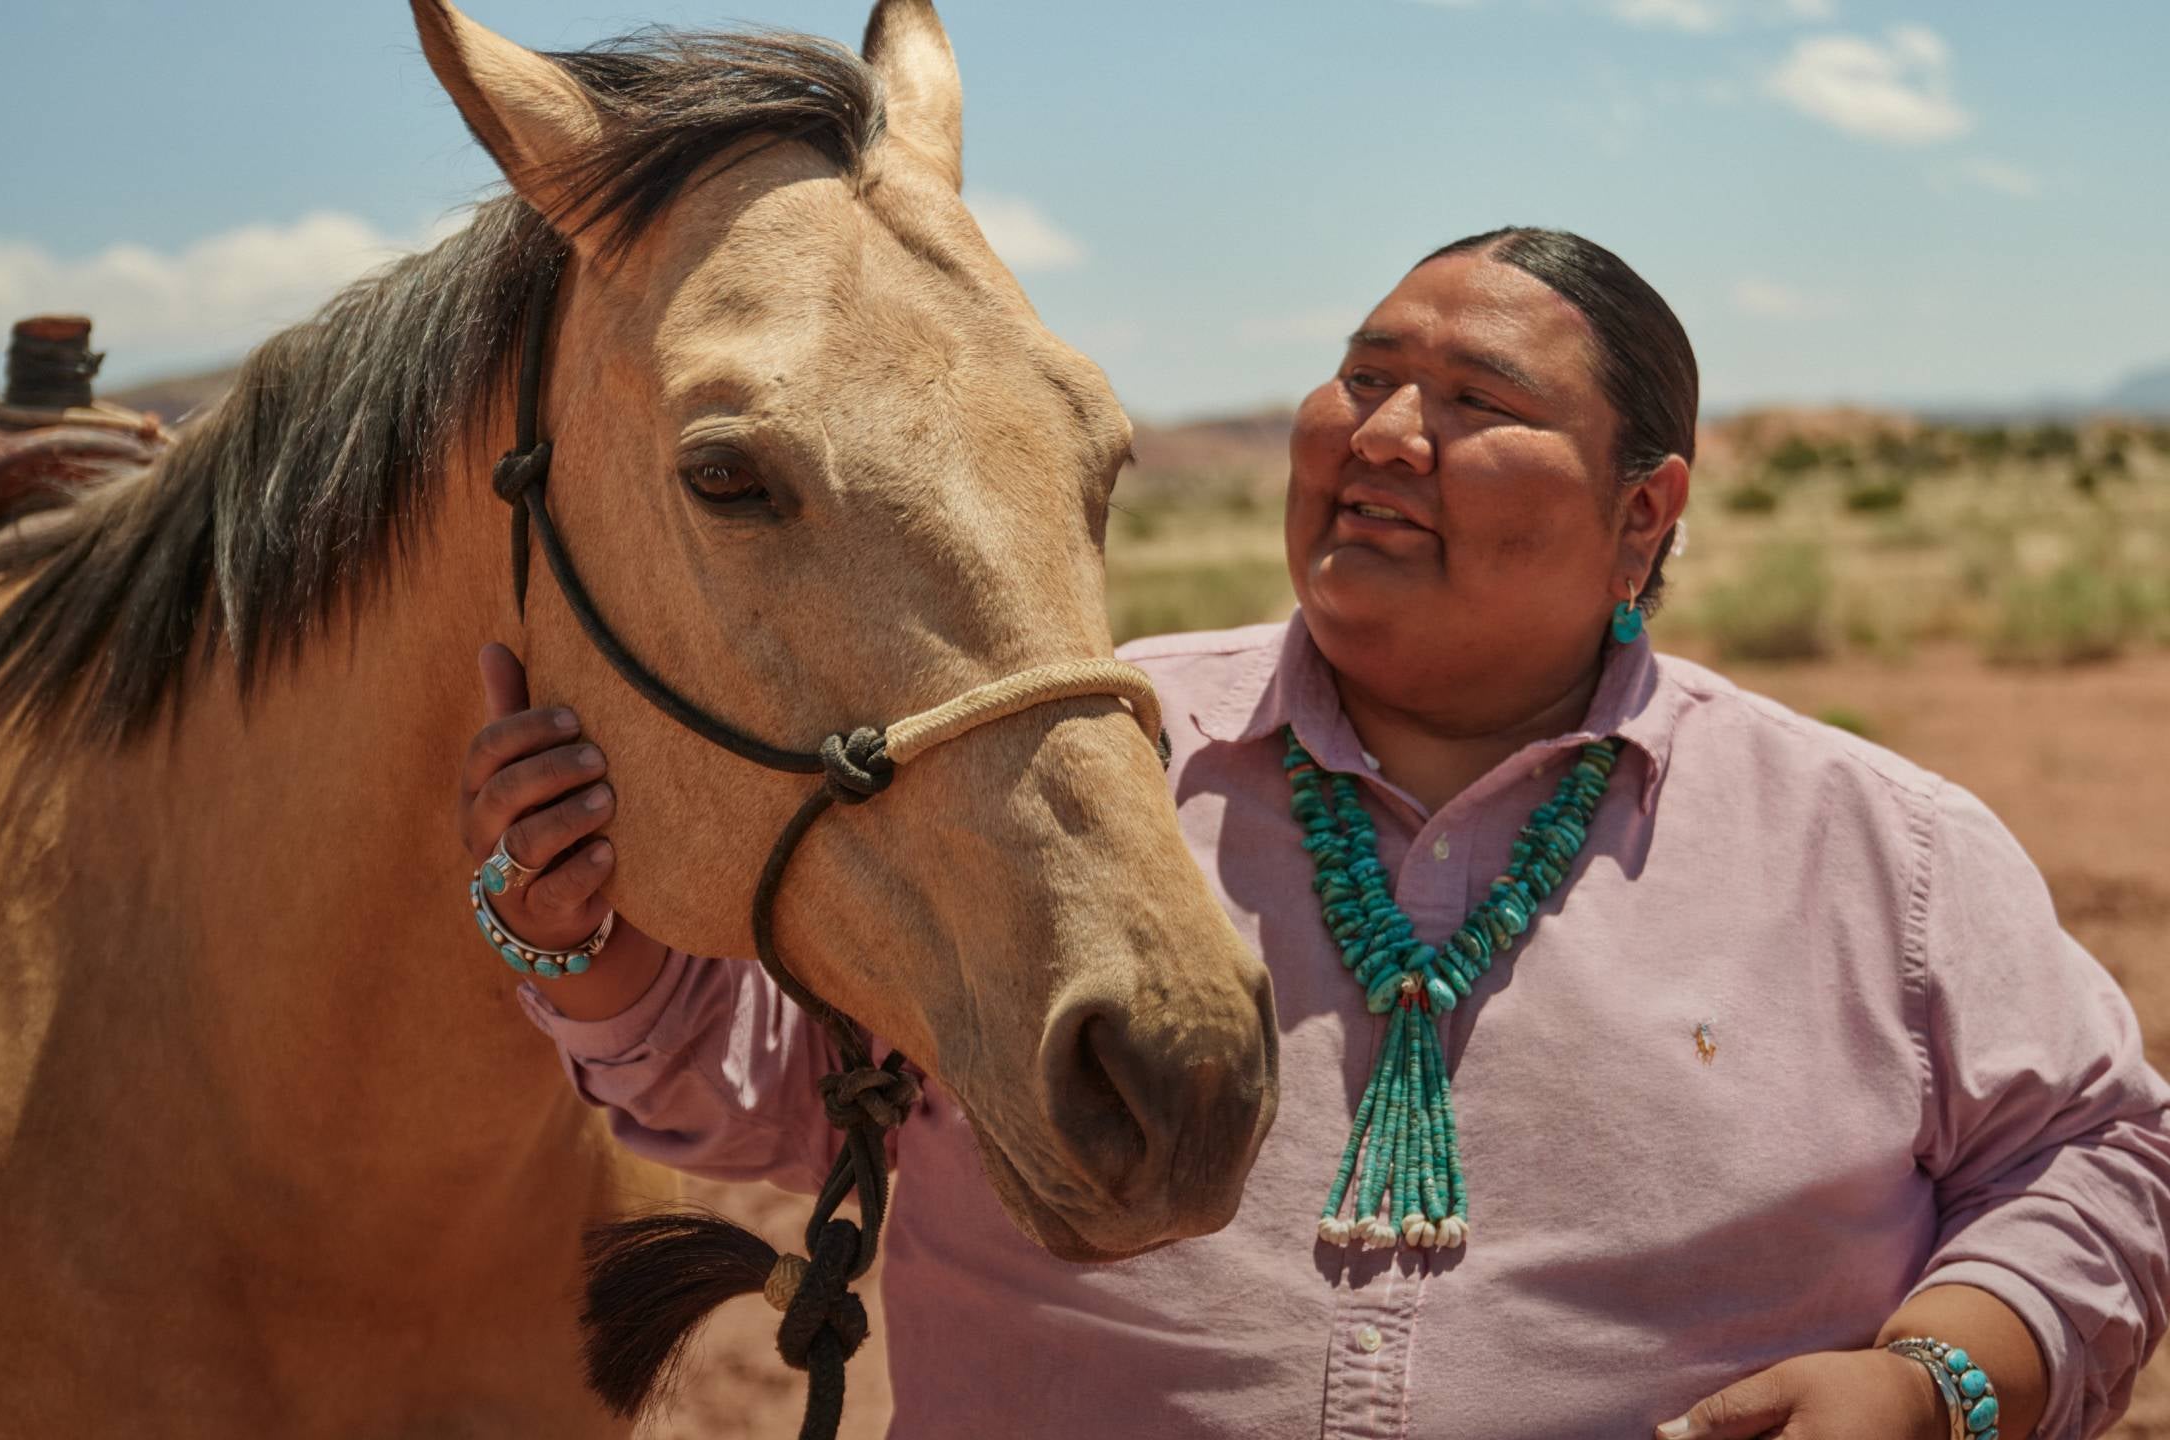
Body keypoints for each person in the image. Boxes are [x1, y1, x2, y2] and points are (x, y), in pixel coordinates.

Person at [455, 227, 2170, 1439]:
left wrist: (1941, 1381)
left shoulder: (1880, 849)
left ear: (1642, 516)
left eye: (1476, 400)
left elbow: (2102, 1156)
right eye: (1360, 376)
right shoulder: (1066, 754)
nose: (1382, 435)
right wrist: (589, 952)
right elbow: (781, 1084)